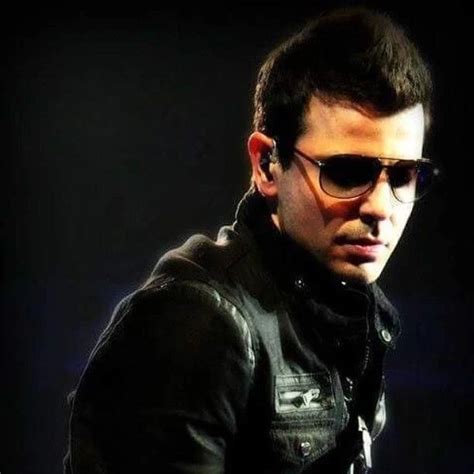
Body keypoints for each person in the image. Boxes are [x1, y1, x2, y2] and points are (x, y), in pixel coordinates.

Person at [64, 7, 438, 473]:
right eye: (346, 172)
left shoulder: (357, 316)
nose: (381, 207)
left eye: (403, 176)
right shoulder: (196, 324)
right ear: (266, 165)